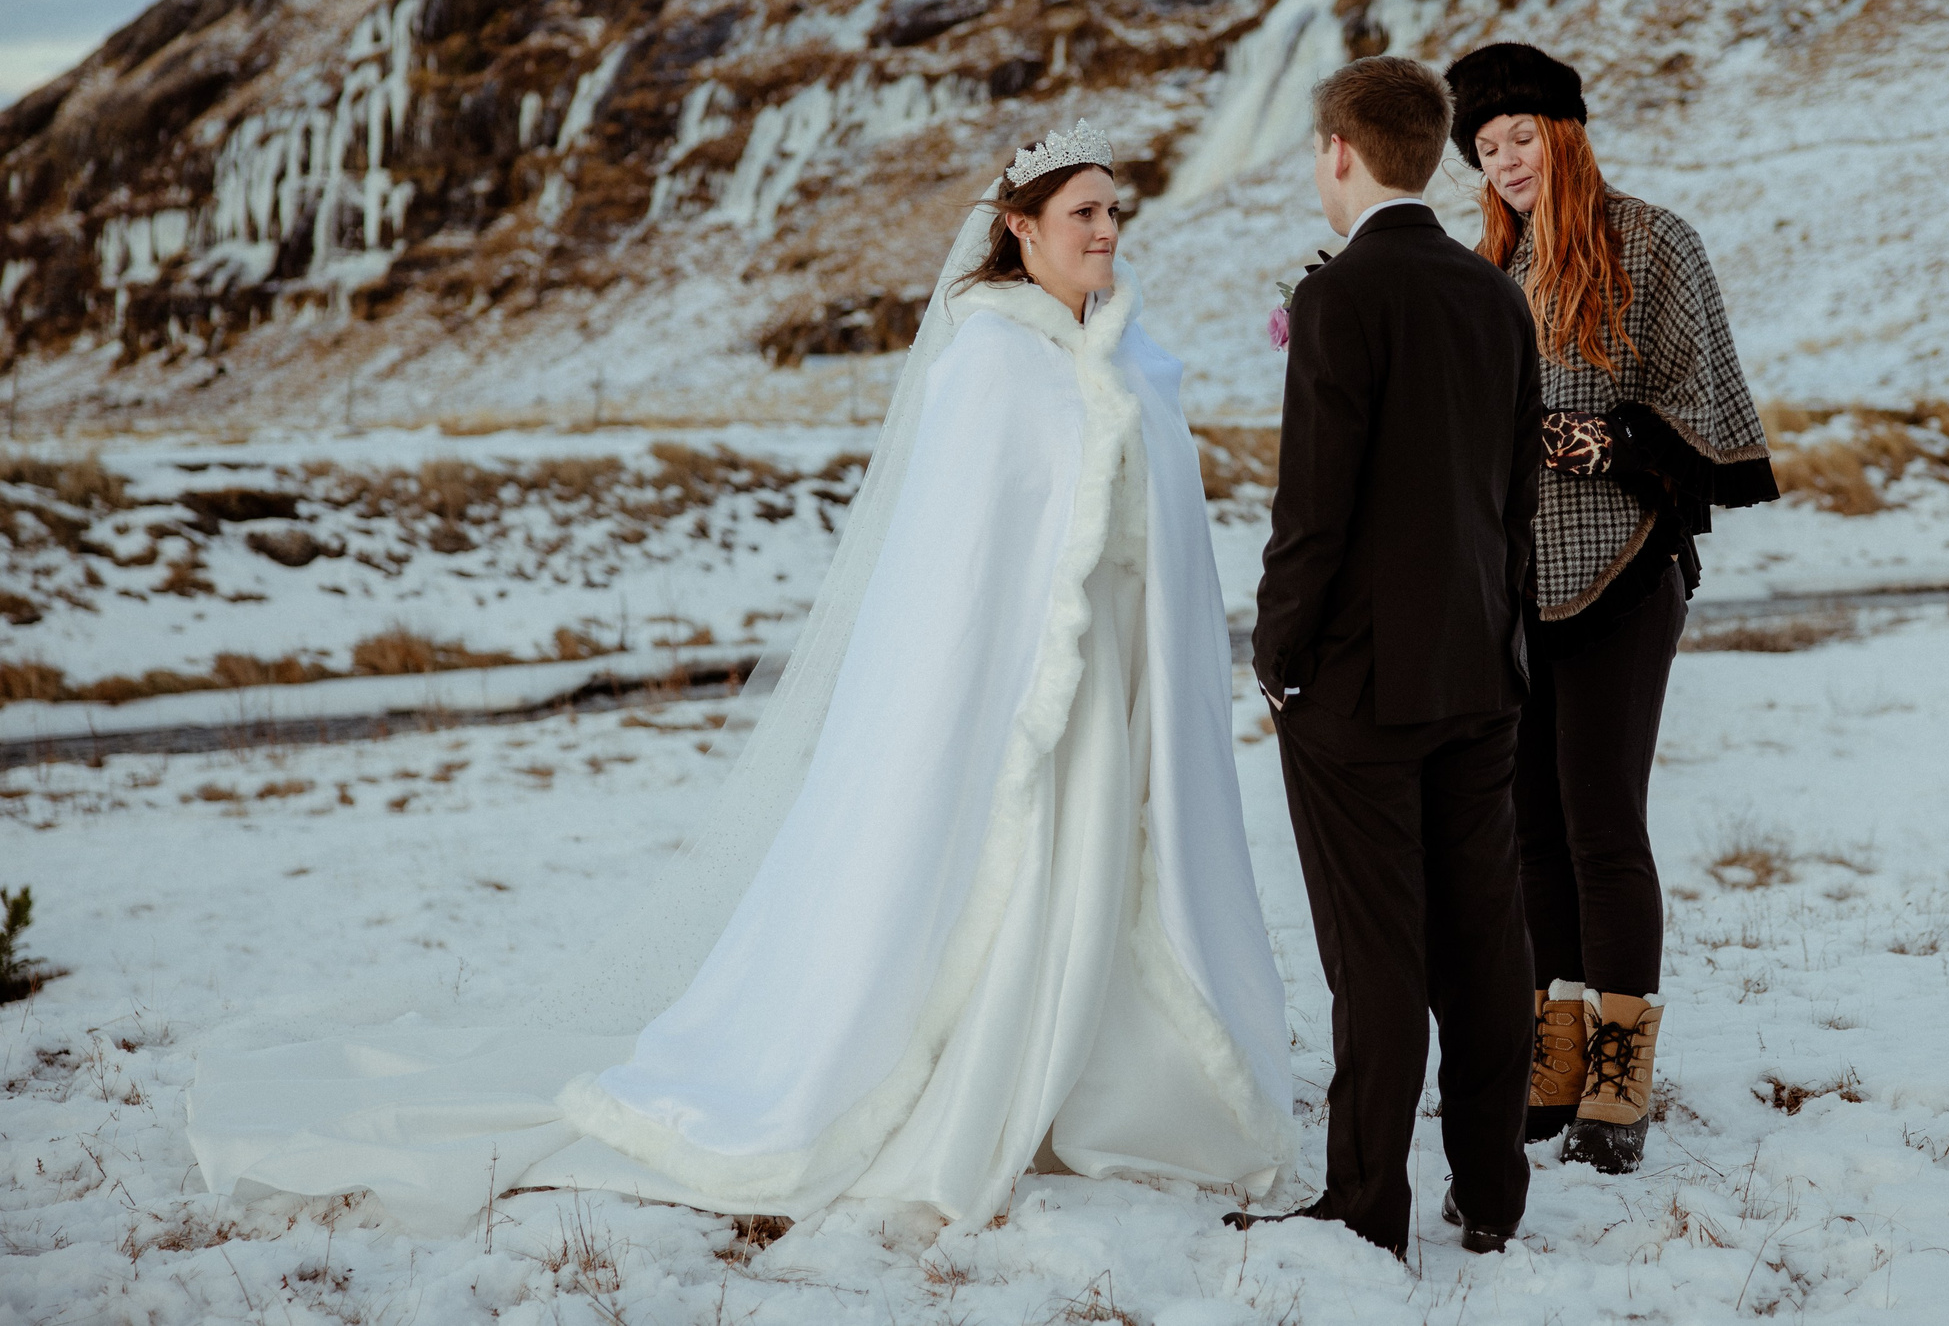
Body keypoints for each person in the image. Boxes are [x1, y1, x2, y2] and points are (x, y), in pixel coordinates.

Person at [187, 122, 1296, 1234]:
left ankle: (1092, 1083)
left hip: (1110, 686)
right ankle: (975, 1076)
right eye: (1082, 213)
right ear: (1019, 227)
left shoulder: (1132, 356)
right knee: (1006, 882)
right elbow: (951, 578)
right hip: (1011, 700)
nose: (1106, 231)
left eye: (1114, 211)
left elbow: (1169, 535)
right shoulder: (988, 365)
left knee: (1107, 881)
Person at [1444, 43, 1778, 1175]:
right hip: (1515, 576)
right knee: (1529, 825)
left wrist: (1604, 437)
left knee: (1600, 822)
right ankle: (1555, 1053)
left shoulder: (1651, 241)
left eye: (1519, 136)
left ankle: (1619, 1076)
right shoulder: (1486, 256)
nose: (1505, 161)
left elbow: (1706, 392)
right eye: (1485, 151)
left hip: (1627, 567)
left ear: (1564, 130)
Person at [1229, 57, 1543, 1258]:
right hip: (1479, 669)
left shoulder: (1343, 298)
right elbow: (1512, 504)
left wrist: (1279, 650)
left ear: (1341, 153)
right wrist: (1500, 634)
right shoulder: (1492, 294)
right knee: (1480, 937)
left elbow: (1313, 508)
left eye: (1316, 151)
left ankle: (1368, 1202)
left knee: (1374, 955)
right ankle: (1492, 1190)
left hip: (1356, 686)